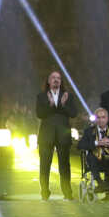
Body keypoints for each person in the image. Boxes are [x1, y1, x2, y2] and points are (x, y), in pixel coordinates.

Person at [36, 71, 78, 200]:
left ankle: (67, 192)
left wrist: (63, 105)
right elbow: (40, 114)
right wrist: (50, 104)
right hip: (46, 136)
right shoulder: (41, 96)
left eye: (58, 78)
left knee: (64, 165)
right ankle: (44, 192)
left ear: (61, 81)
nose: (56, 80)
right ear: (48, 81)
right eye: (53, 78)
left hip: (63, 136)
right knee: (44, 165)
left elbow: (73, 113)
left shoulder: (68, 96)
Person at [78, 107, 109, 199]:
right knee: (91, 155)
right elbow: (80, 145)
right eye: (98, 118)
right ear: (96, 119)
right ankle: (100, 183)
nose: (101, 120)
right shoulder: (89, 131)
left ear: (107, 119)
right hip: (97, 161)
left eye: (103, 117)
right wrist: (96, 143)